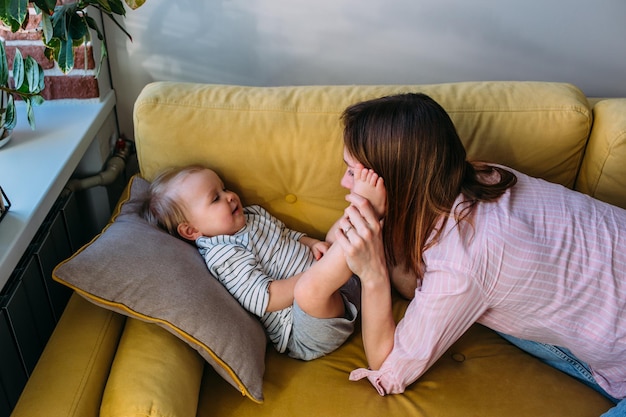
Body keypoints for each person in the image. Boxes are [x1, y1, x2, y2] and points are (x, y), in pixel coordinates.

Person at [332, 93, 626, 416]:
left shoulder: (462, 262)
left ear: (395, 183)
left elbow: (388, 365)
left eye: (351, 172)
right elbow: (412, 280)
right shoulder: (483, 176)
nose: (343, 182)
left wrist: (372, 275)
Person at [141, 165, 359, 361]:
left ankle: (366, 221)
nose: (229, 196)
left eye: (224, 188)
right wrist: (317, 273)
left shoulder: (252, 215)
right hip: (305, 328)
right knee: (309, 290)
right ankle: (366, 217)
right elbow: (267, 298)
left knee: (336, 233)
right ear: (192, 230)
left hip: (333, 287)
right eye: (215, 198)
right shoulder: (223, 254)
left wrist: (311, 243)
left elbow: (286, 234)